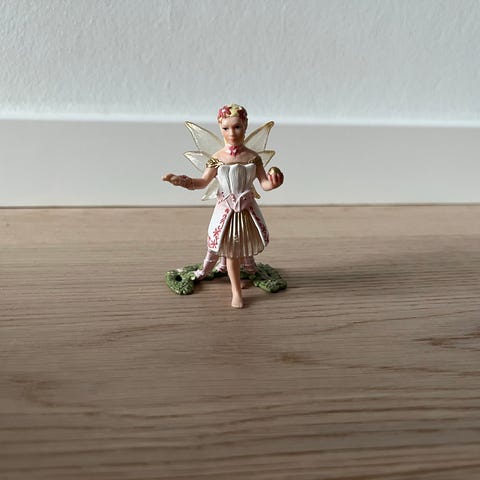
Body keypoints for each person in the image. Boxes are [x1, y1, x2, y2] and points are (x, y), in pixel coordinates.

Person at [163, 104, 283, 308]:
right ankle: (236, 292)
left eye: (237, 127)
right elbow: (202, 182)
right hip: (225, 210)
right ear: (220, 128)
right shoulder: (217, 158)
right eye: (226, 128)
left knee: (242, 246)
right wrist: (181, 181)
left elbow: (264, 183)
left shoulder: (253, 157)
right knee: (230, 250)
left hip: (247, 210)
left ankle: (243, 274)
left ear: (245, 125)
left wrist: (274, 183)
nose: (232, 133)